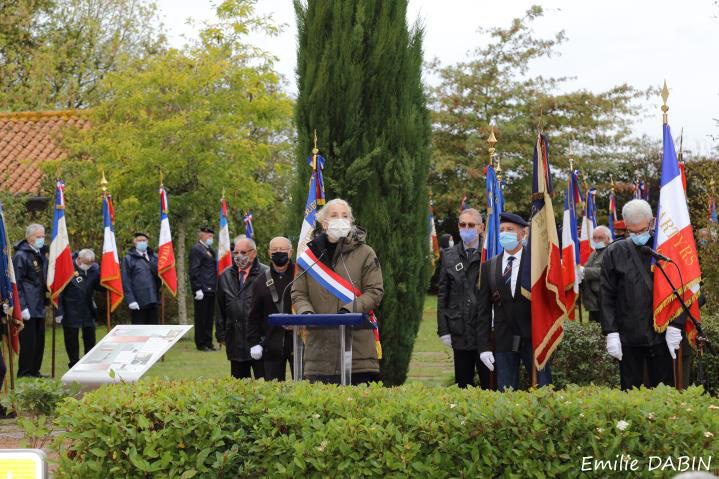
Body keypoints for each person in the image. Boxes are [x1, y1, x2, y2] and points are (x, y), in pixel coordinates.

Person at [291, 198, 384, 385]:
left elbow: (374, 292)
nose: (340, 219)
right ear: (324, 223)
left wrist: (349, 310)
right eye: (334, 216)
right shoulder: (309, 258)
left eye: (345, 216)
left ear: (351, 222)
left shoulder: (365, 253)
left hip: (357, 356)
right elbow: (298, 293)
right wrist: (306, 313)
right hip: (318, 354)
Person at [600, 199, 682, 390]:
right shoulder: (614, 251)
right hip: (628, 335)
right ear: (625, 226)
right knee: (630, 392)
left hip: (662, 334)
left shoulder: (667, 246)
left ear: (652, 222)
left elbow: (688, 286)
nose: (638, 235)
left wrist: (676, 324)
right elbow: (607, 295)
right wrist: (610, 332)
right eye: (632, 231)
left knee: (663, 392)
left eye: (642, 230)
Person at [476, 213, 552, 391]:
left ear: (523, 233)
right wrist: (484, 346)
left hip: (534, 339)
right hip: (504, 340)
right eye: (502, 230)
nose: (505, 234)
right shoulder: (489, 266)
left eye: (510, 230)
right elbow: (483, 311)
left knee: (543, 392)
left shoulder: (536, 264)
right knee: (506, 395)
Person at [436, 208, 490, 389]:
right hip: (459, 330)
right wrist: (443, 330)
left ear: (481, 228)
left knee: (489, 387)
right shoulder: (448, 256)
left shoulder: (490, 253)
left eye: (471, 225)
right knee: (463, 387)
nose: (466, 228)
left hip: (485, 332)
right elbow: (443, 295)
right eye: (462, 225)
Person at [216, 236, 267, 379]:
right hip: (235, 341)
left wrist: (265, 339)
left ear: (253, 253)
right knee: (239, 389)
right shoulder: (225, 276)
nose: (238, 256)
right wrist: (221, 334)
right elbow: (220, 308)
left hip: (259, 342)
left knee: (264, 388)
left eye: (243, 253)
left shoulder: (266, 274)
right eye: (235, 252)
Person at [247, 236, 295, 381]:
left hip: (298, 344)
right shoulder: (260, 281)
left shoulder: (301, 277)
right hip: (271, 344)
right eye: (275, 250)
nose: (278, 252)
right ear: (269, 253)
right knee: (274, 393)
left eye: (282, 250)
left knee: (305, 390)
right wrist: (254, 343)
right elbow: (253, 316)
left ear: (291, 253)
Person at [56, 249, 103, 368]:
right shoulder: (67, 268)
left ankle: (89, 362)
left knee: (90, 337)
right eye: (86, 263)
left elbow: (99, 286)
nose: (88, 266)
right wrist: (59, 311)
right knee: (71, 339)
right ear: (79, 260)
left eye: (90, 263)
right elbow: (59, 292)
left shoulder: (94, 268)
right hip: (70, 308)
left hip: (87, 307)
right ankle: (74, 363)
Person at [13, 223, 48, 378]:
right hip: (27, 305)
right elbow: (17, 283)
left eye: (43, 236)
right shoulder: (21, 255)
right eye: (38, 236)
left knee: (39, 340)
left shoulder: (39, 254)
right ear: (29, 238)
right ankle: (25, 372)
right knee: (29, 342)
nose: (41, 239)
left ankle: (35, 370)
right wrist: (22, 306)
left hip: (39, 304)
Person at [121, 232, 160, 324]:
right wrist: (131, 300)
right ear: (134, 242)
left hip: (153, 299)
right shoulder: (128, 258)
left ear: (147, 242)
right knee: (139, 331)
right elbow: (126, 280)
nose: (142, 242)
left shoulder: (154, 257)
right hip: (138, 302)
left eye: (144, 240)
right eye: (139, 240)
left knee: (154, 331)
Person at [189, 226, 217, 351]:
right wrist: (197, 288)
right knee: (201, 318)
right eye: (209, 236)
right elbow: (194, 270)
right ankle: (201, 343)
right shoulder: (197, 249)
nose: (211, 238)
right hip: (202, 289)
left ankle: (208, 342)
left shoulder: (210, 249)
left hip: (212, 288)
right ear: (202, 236)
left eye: (212, 236)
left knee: (209, 318)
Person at [579, 225, 611, 323]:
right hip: (592, 300)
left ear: (608, 239)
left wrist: (584, 271)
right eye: (594, 238)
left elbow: (605, 270)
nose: (596, 240)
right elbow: (586, 267)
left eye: (600, 238)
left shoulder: (611, 252)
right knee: (593, 331)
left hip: (604, 300)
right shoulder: (594, 253)